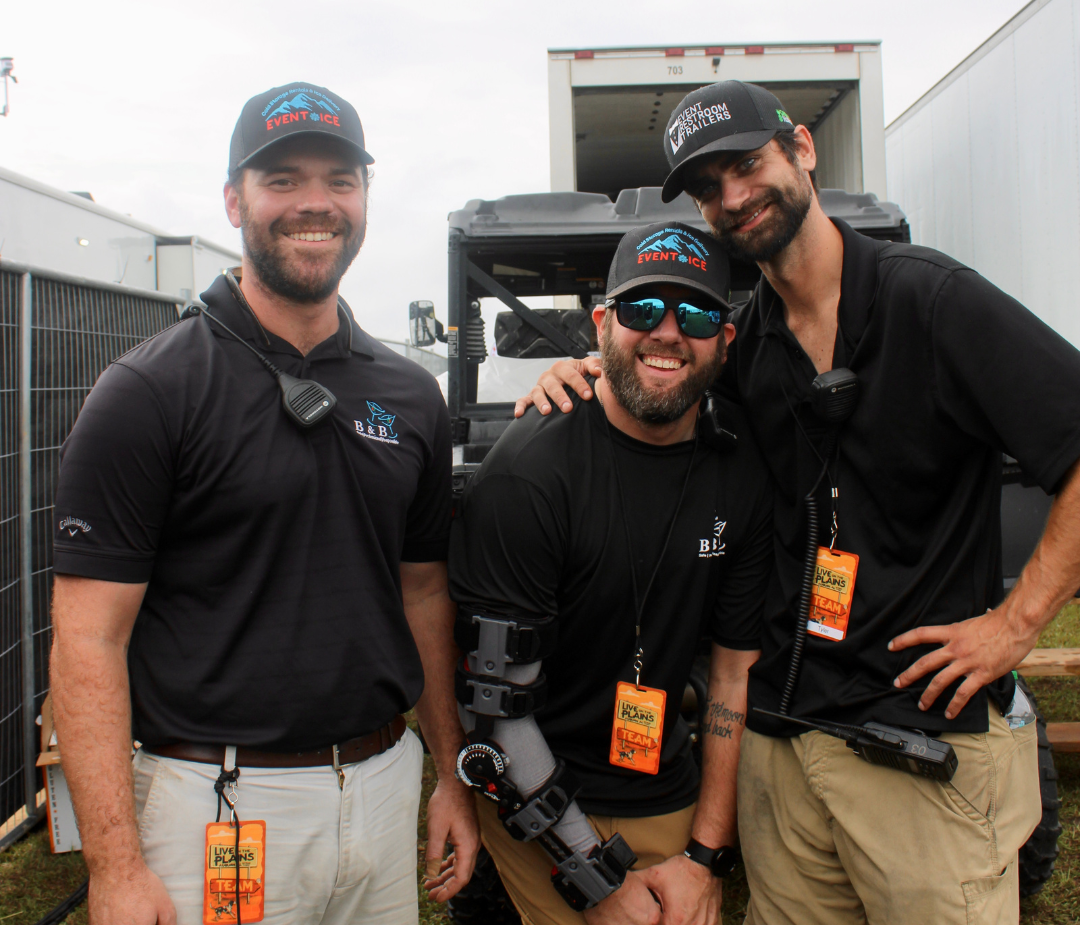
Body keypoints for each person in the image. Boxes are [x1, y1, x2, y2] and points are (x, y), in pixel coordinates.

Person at [517, 79, 1080, 924]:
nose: (733, 197)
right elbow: (661, 384)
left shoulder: (932, 301)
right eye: (709, 187)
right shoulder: (752, 348)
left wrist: (1016, 624)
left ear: (803, 150)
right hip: (781, 755)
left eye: (747, 165)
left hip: (918, 750)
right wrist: (588, 369)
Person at [49, 81, 479, 925]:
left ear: (363, 198)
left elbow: (423, 592)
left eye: (339, 179)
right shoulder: (149, 391)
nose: (314, 203)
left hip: (384, 785)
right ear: (233, 198)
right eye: (282, 178)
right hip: (215, 804)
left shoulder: (411, 394)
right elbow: (88, 637)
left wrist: (449, 778)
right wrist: (115, 866)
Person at [447, 221, 773, 925]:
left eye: (695, 314)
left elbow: (731, 676)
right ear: (601, 324)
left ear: (726, 338)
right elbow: (498, 714)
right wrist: (597, 881)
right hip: (541, 787)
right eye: (641, 310)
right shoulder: (528, 476)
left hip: (666, 780)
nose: (666, 332)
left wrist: (706, 857)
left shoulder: (740, 469)